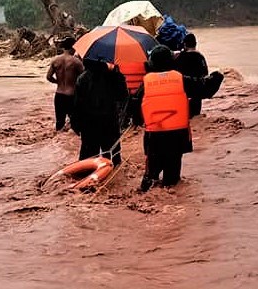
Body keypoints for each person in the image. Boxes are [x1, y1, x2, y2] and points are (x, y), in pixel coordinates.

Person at [133, 45, 223, 191]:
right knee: (172, 180)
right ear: (171, 62)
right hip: (177, 137)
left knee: (150, 178)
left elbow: (134, 109)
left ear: (152, 64)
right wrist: (217, 76)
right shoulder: (181, 80)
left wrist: (138, 122)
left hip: (154, 138)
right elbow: (205, 89)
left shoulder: (145, 85)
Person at [71, 58, 129, 167]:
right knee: (113, 155)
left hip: (89, 124)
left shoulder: (82, 78)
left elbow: (77, 104)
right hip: (110, 121)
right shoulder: (114, 76)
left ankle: (86, 180)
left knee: (88, 156)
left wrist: (75, 124)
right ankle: (115, 180)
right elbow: (123, 97)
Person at [46, 37, 84, 131]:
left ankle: (58, 143)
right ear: (73, 47)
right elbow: (84, 78)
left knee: (59, 123)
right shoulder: (76, 62)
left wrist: (58, 82)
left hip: (59, 95)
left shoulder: (55, 60)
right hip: (72, 96)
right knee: (75, 124)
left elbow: (48, 77)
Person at [175, 33, 209, 117]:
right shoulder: (200, 57)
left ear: (185, 44)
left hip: (183, 92)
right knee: (196, 115)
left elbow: (175, 73)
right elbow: (205, 74)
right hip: (197, 92)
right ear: (196, 44)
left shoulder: (180, 57)